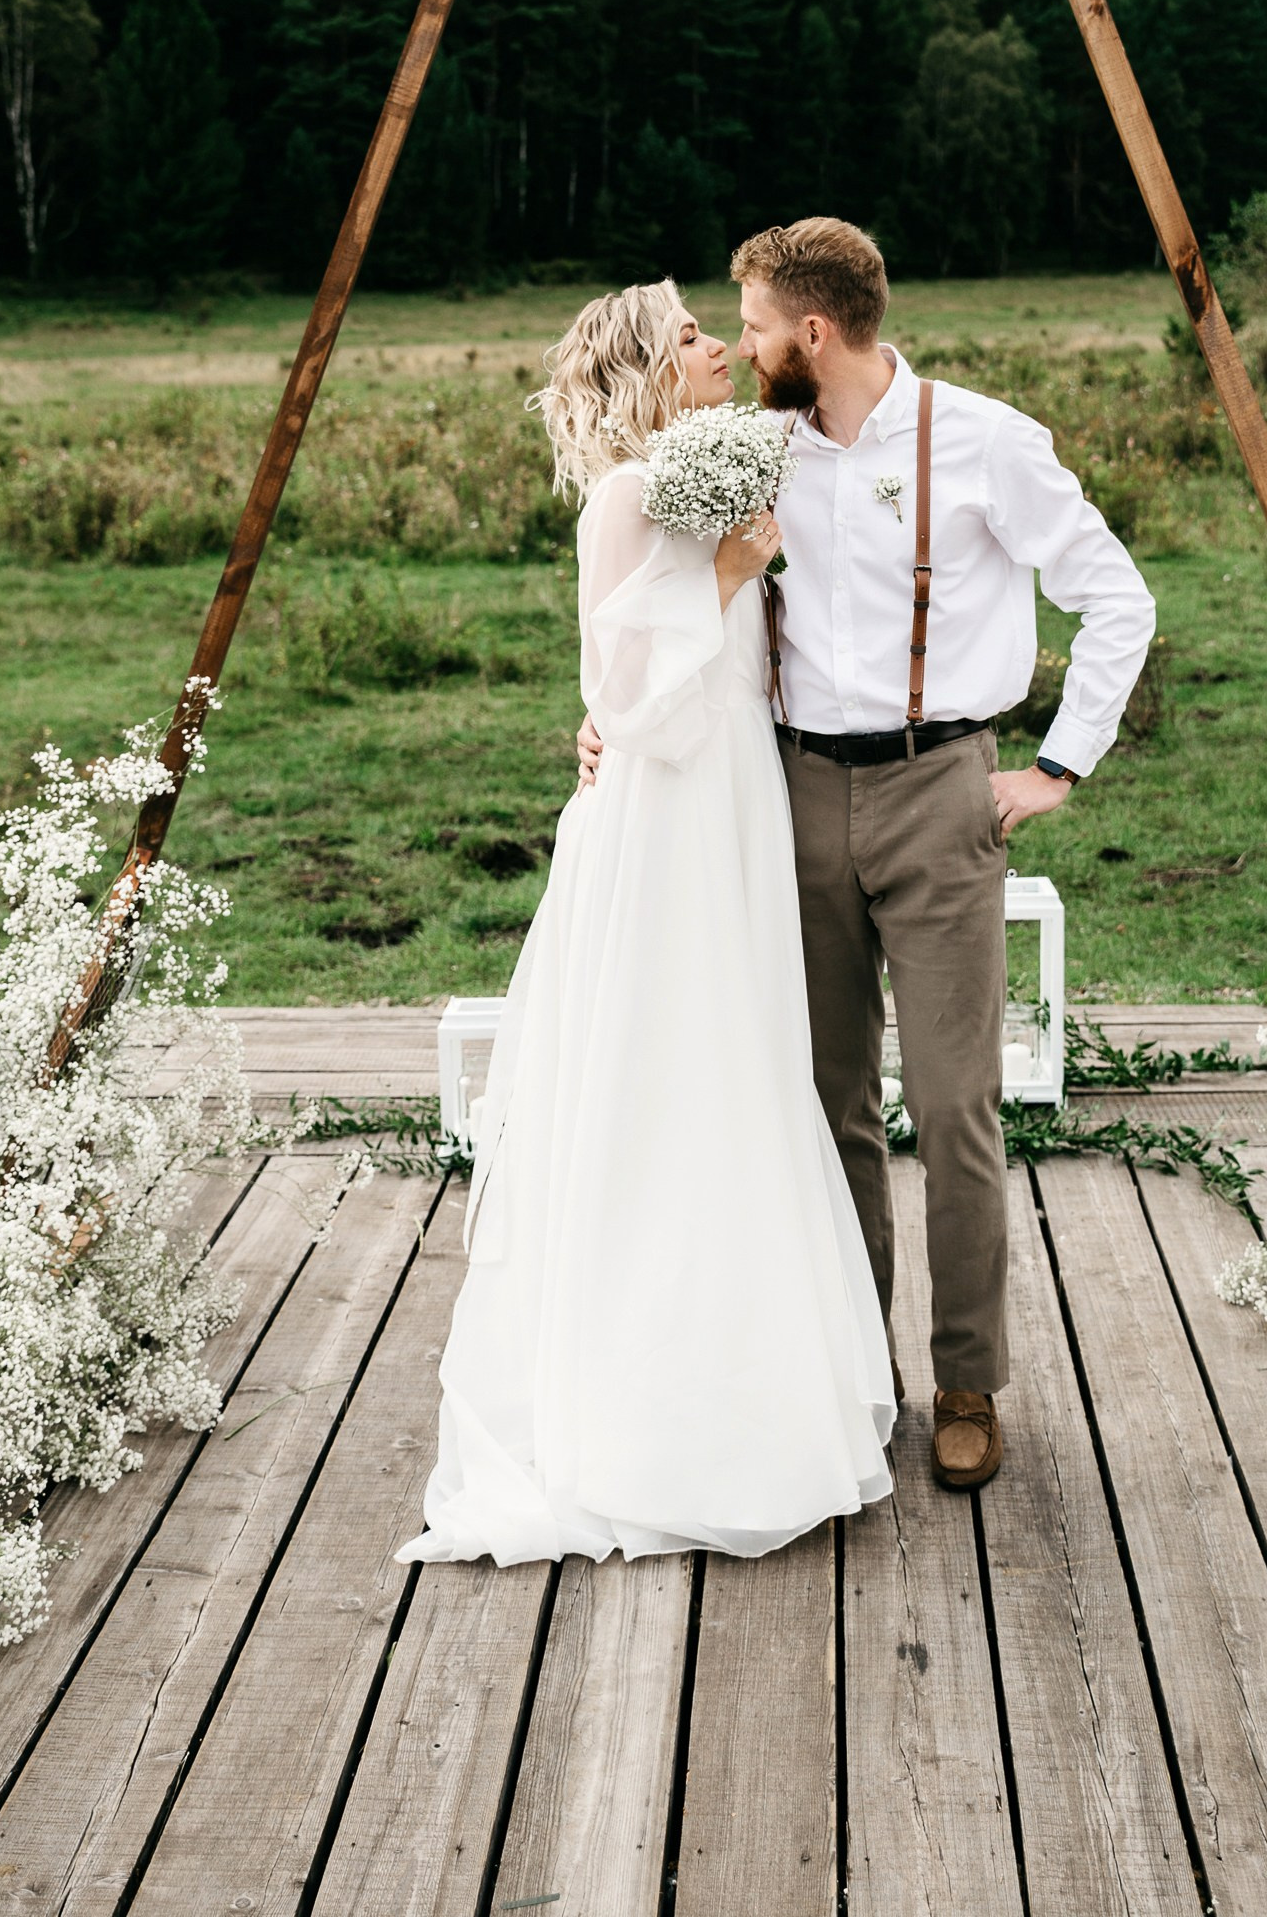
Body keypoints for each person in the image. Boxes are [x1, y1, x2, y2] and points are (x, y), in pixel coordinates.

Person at [582, 219, 1155, 1493]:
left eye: (751, 327)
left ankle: (966, 1382)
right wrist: (605, 713)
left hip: (941, 788)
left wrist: (1056, 767)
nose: (740, 348)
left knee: (953, 1107)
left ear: (812, 332)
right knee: (823, 1103)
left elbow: (1117, 599)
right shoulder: (748, 446)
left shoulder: (984, 442)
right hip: (786, 794)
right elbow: (659, 594)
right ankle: (852, 1376)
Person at [398, 280, 895, 1567]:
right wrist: (725, 578)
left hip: (734, 792)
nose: (718, 344)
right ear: (645, 370)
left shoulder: (705, 468)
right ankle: (645, 1408)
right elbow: (627, 696)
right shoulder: (625, 496)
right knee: (670, 1063)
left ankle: (746, 1371)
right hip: (668, 812)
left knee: (741, 1059)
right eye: (688, 337)